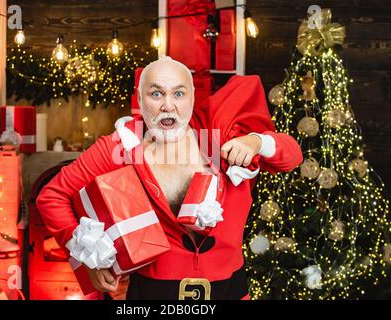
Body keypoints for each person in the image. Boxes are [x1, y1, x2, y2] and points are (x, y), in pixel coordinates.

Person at [36, 56, 303, 300]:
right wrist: (87, 260)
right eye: (156, 94)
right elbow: (51, 196)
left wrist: (257, 142)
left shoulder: (220, 138)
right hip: (151, 294)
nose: (168, 105)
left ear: (192, 98)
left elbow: (292, 156)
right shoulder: (120, 148)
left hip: (230, 289)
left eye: (178, 93)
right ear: (140, 101)